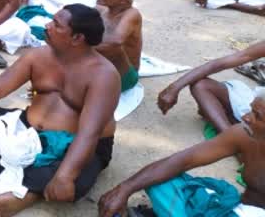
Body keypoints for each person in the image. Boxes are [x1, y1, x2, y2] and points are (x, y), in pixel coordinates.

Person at [0, 4, 120, 217]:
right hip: (29, 130)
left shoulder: (104, 76)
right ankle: (22, 175)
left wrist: (65, 176)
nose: (47, 25)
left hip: (73, 143)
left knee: (75, 177)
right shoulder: (38, 56)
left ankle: (22, 190)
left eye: (56, 25)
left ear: (77, 38)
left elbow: (90, 133)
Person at [99, 87, 265, 217]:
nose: (246, 117)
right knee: (160, 183)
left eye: (257, 116)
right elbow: (184, 160)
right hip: (234, 205)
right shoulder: (243, 134)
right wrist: (124, 189)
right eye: (251, 110)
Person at [157, 40, 265, 134]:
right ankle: (228, 135)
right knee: (201, 85)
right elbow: (220, 63)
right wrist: (174, 87)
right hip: (256, 105)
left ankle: (235, 136)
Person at [95, 0, 143, 93]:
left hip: (124, 76)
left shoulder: (131, 15)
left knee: (114, 48)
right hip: (102, 67)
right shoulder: (102, 9)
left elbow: (115, 42)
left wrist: (78, 48)